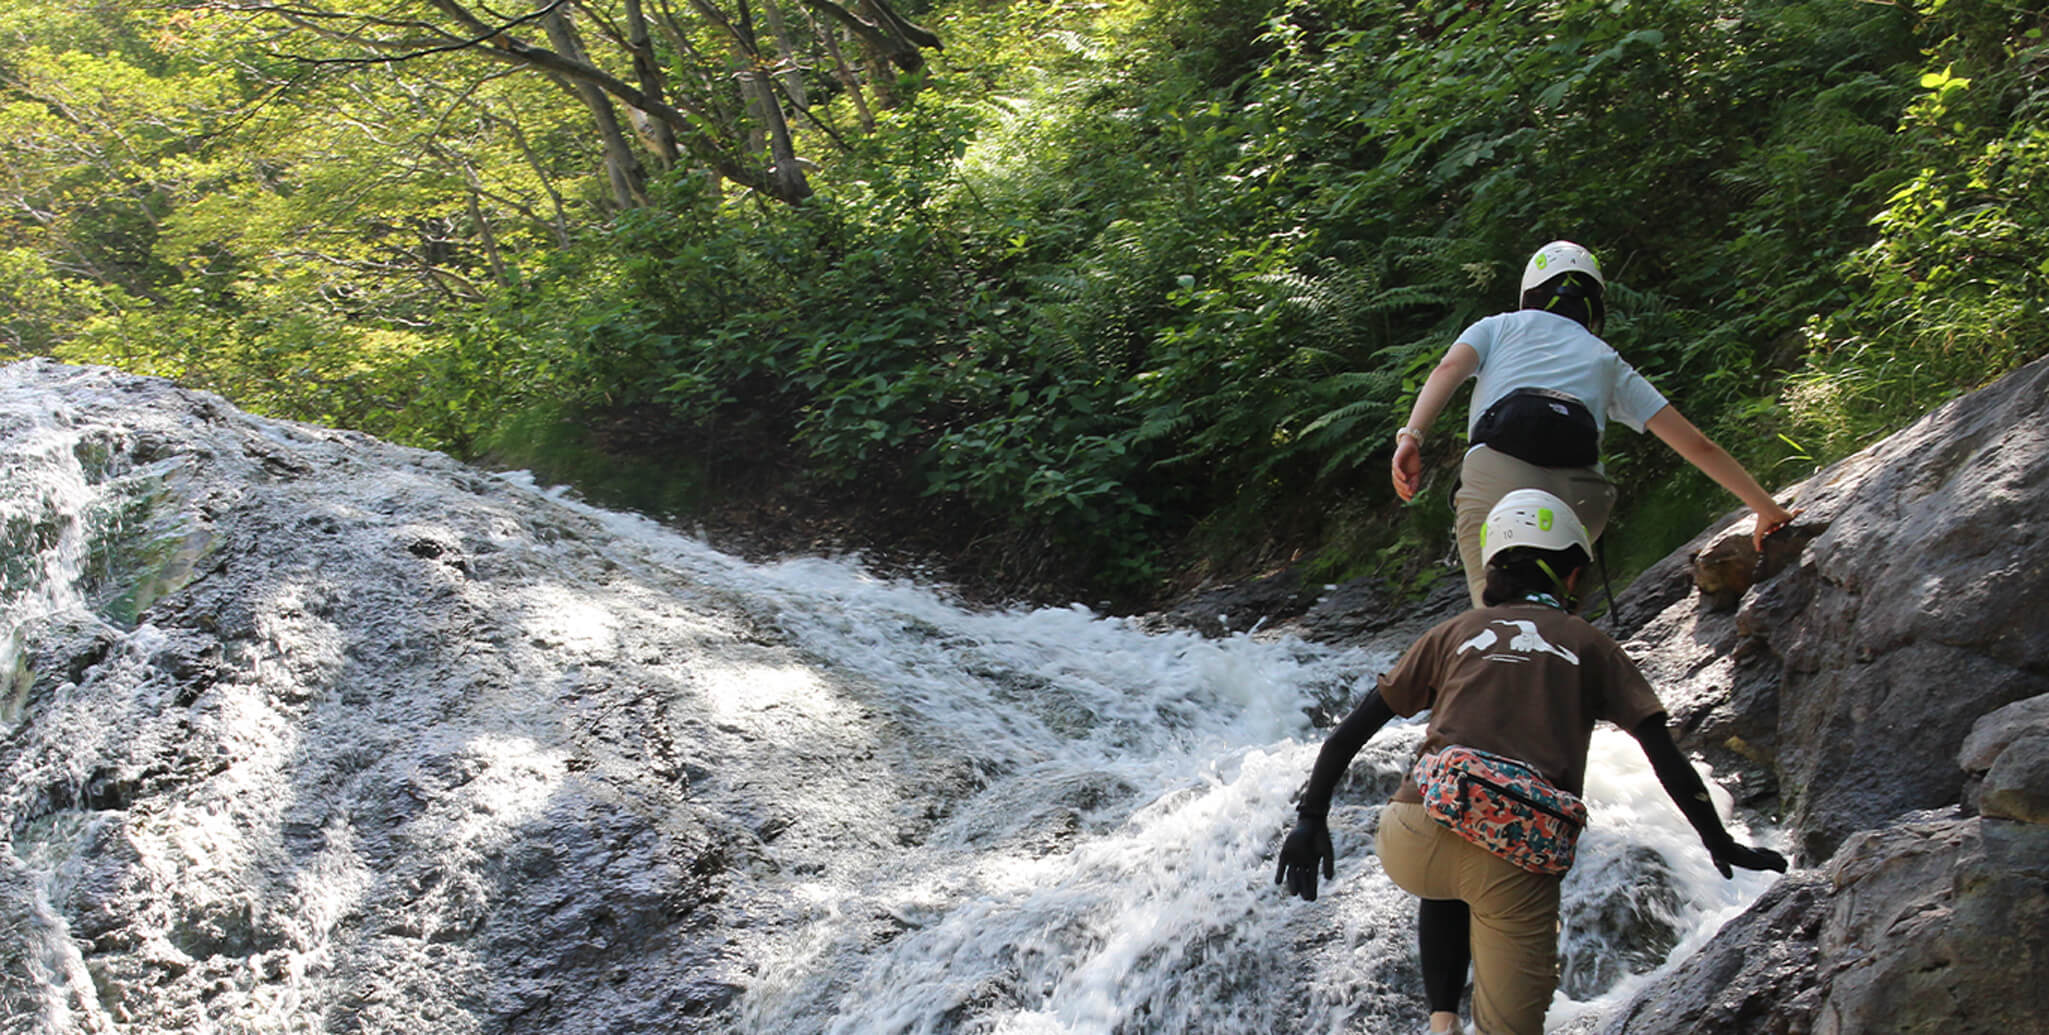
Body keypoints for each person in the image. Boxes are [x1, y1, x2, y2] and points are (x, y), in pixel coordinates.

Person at [1272, 489, 1788, 1035]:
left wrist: (1311, 818)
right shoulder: (1591, 645)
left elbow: (1348, 733)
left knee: (1452, 863)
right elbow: (1665, 759)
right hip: (1509, 856)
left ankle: (1441, 1021)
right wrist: (1717, 840)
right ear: (1569, 576)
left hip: (1412, 836)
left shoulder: (1452, 632)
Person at [1389, 241, 1796, 605]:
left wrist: (1412, 437)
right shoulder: (1606, 359)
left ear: (1530, 292)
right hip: (1581, 499)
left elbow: (1447, 369)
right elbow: (1697, 445)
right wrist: (1766, 508)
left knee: (1497, 628)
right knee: (1557, 614)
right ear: (1595, 305)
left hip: (1499, 482)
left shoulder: (1497, 327)